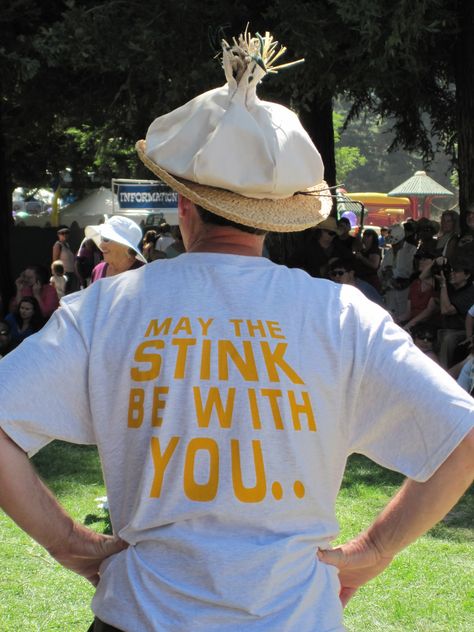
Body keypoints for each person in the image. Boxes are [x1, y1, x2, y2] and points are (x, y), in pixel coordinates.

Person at [0, 29, 472, 632]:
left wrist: (66, 540)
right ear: (272, 219)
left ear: (185, 207)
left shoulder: (109, 308)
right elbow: (463, 439)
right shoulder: (340, 315)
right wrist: (373, 551)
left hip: (140, 617)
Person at [86, 216, 147, 282]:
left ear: (125, 246)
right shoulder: (98, 270)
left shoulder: (144, 274)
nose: (101, 245)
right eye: (102, 238)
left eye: (106, 239)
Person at [52, 227, 80, 293]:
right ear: (58, 235)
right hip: (63, 274)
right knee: (64, 293)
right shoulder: (58, 245)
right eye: (62, 233)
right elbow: (55, 261)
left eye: (67, 233)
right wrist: (57, 275)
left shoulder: (67, 245)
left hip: (71, 273)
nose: (64, 235)